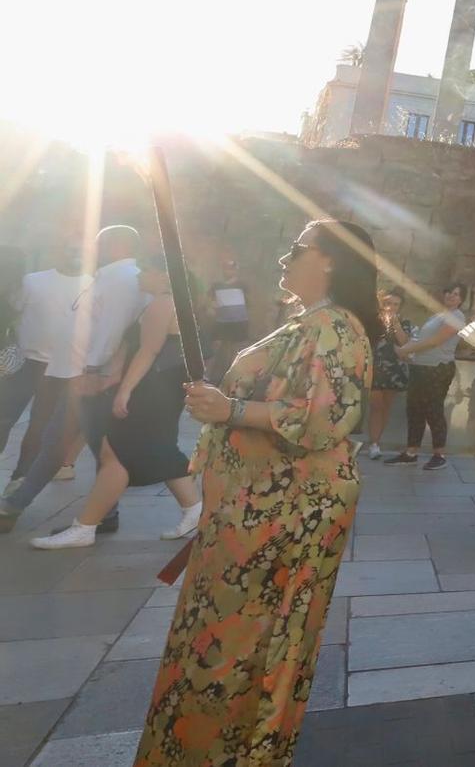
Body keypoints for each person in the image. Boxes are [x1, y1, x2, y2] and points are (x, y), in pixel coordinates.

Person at [135, 218, 378, 765]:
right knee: (225, 641)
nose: (284, 258)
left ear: (332, 259)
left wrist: (232, 409)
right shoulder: (311, 323)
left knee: (245, 647)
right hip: (255, 512)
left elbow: (326, 416)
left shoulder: (336, 327)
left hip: (282, 519)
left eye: (298, 248)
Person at [31, 261, 203, 548]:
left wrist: (124, 391)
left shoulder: (163, 302)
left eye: (144, 270)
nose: (139, 276)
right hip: (159, 389)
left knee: (116, 455)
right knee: (156, 449)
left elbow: (149, 350)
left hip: (150, 390)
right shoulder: (171, 302)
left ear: (163, 274)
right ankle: (194, 509)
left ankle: (84, 527)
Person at [0, 225, 146, 533]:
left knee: (56, 441)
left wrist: (90, 370)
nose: (93, 250)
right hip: (71, 369)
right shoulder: (111, 277)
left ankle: (14, 505)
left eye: (98, 244)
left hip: (84, 374)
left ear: (114, 245)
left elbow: (110, 331)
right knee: (97, 445)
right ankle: (107, 512)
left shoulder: (121, 279)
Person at [4, 246, 86, 497]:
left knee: (40, 425)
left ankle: (19, 479)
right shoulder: (33, 281)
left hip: (64, 368)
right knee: (3, 419)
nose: (74, 253)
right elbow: (13, 314)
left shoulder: (94, 284)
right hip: (25, 363)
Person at [389, 282, 465, 468]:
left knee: (433, 409)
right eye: (448, 291)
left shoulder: (457, 316)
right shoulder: (437, 316)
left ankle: (439, 455)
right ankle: (411, 451)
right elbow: (416, 340)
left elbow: (435, 341)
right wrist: (396, 327)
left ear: (461, 299)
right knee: (414, 409)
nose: (451, 296)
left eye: (456, 294)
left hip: (437, 368)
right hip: (420, 367)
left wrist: (405, 351)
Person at [362, 289, 410, 459]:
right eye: (388, 303)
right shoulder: (373, 322)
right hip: (375, 368)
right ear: (382, 304)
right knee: (376, 406)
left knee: (386, 407)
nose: (391, 307)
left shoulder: (404, 322)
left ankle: (376, 443)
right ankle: (372, 443)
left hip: (394, 370)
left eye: (395, 304)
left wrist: (395, 324)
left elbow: (405, 343)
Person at [202, 254, 251, 386]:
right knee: (215, 347)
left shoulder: (242, 285)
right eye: (226, 269)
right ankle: (206, 373)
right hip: (221, 322)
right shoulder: (216, 285)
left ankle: (233, 376)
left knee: (235, 350)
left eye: (232, 269)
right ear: (222, 270)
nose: (229, 271)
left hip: (239, 322)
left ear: (236, 270)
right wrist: (210, 308)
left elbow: (248, 301)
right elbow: (207, 301)